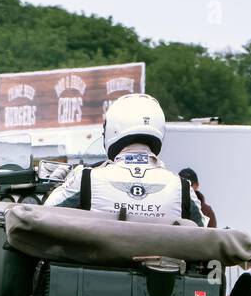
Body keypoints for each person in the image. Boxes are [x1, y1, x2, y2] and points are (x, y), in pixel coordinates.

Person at [44, 94, 202, 225]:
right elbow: (205, 234)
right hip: (165, 262)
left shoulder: (87, 179)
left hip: (99, 261)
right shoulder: (182, 187)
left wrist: (55, 185)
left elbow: (45, 217)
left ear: (112, 129)